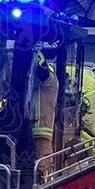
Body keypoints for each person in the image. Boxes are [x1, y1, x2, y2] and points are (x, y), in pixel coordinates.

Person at [32, 52, 59, 181]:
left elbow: (42, 73)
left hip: (42, 132)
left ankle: (45, 185)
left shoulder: (50, 81)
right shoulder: (32, 85)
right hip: (28, 131)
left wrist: (32, 58)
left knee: (42, 165)